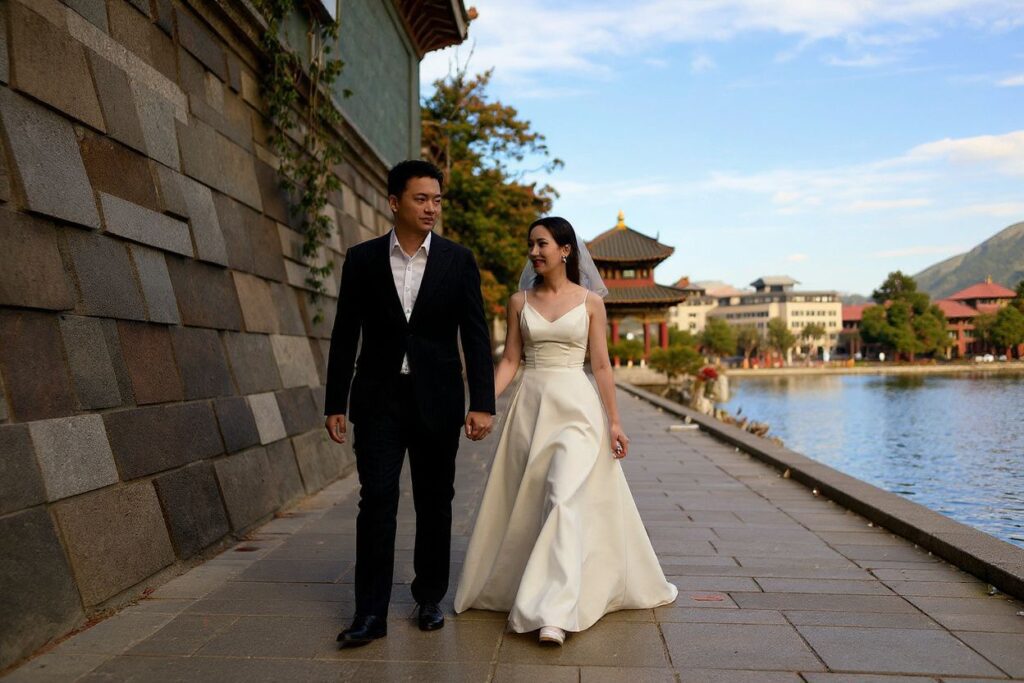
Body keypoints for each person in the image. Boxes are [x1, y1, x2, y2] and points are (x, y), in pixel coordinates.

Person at [453, 217, 678, 645]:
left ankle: (553, 611)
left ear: (565, 250)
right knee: (535, 500)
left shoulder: (592, 302)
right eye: (531, 245)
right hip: (531, 409)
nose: (534, 252)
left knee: (562, 496)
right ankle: (535, 586)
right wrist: (482, 405)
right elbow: (509, 362)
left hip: (577, 410)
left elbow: (600, 365)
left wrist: (614, 421)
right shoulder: (519, 301)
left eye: (542, 244)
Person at [324, 160, 495, 648]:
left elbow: (475, 336)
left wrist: (482, 401)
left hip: (437, 398)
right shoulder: (361, 260)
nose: (431, 208)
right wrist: (335, 400)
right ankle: (370, 613)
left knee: (434, 501)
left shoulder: (457, 260)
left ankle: (428, 597)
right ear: (394, 202)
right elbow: (344, 336)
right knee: (376, 499)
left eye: (437, 200)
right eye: (422, 199)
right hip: (378, 399)